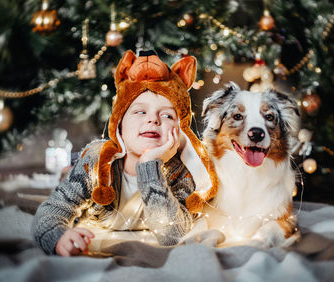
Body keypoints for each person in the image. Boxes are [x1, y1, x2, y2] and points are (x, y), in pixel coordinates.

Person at [32, 50, 218, 256]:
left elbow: (171, 236)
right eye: (140, 112)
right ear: (119, 125)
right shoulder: (96, 161)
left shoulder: (181, 172)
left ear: (180, 128)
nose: (153, 120)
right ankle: (65, 171)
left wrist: (150, 165)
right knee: (69, 181)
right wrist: (59, 238)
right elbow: (50, 211)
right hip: (94, 218)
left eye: (166, 115)